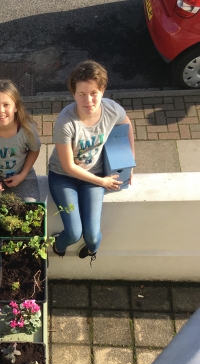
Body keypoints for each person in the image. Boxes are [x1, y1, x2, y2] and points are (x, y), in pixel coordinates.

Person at [48, 60, 135, 264]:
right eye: (82, 94)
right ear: (73, 94)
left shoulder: (112, 109)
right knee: (73, 232)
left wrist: (130, 161)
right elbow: (69, 166)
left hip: (94, 175)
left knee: (93, 237)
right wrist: (103, 182)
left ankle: (90, 251)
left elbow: (127, 123)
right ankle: (57, 246)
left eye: (94, 93)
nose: (89, 100)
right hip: (63, 177)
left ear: (102, 90)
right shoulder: (65, 122)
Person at [0, 80, 41, 203]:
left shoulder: (27, 130)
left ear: (16, 107)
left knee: (32, 207)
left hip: (23, 176)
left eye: (6, 105)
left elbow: (34, 149)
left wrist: (22, 175)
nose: (1, 111)